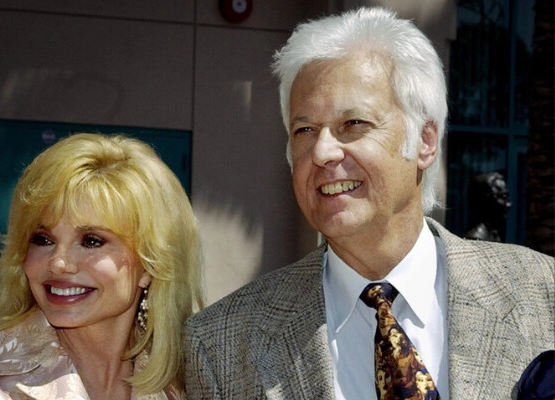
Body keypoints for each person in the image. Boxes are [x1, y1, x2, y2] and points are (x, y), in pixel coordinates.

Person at [182, 6, 554, 400]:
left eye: (353, 124)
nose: (323, 151)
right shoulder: (221, 345)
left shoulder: (542, 294)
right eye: (304, 129)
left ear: (425, 141)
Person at [0, 133, 204, 399]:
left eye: (92, 241)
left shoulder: (189, 387)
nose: (59, 263)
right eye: (43, 239)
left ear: (149, 266)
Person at [464, 171, 511, 242]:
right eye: (503, 196)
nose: (508, 204)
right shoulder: (476, 238)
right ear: (486, 200)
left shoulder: (493, 234)